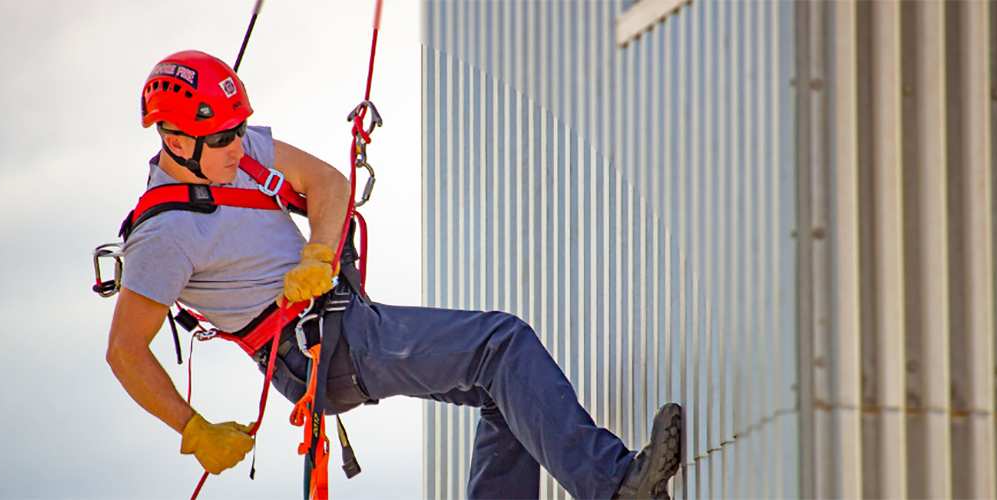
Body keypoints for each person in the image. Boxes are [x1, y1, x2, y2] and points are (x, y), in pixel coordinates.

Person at [106, 49, 683, 500]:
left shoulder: (242, 148)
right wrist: (193, 429)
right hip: (312, 352)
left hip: (340, 319)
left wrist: (319, 253)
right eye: (224, 137)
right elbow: (126, 351)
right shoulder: (165, 234)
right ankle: (611, 486)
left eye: (239, 130)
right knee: (501, 345)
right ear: (176, 140)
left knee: (501, 390)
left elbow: (328, 183)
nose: (239, 145)